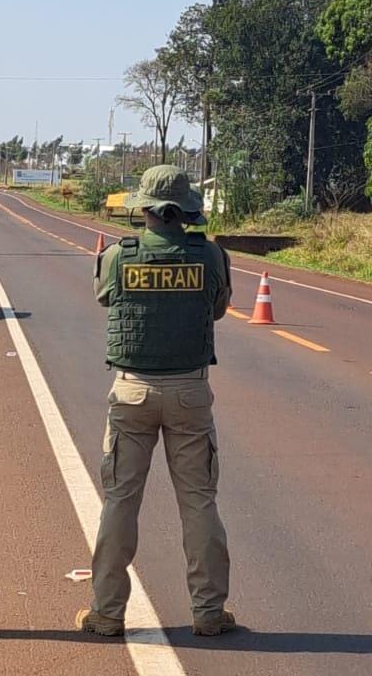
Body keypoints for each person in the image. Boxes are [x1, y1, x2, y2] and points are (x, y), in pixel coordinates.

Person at [77, 165, 235, 638]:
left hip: (132, 392)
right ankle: (208, 613)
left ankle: (106, 613)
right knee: (199, 503)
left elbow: (104, 297)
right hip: (189, 391)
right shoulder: (210, 255)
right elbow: (219, 308)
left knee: (120, 502)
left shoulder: (118, 256)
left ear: (143, 209)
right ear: (186, 209)